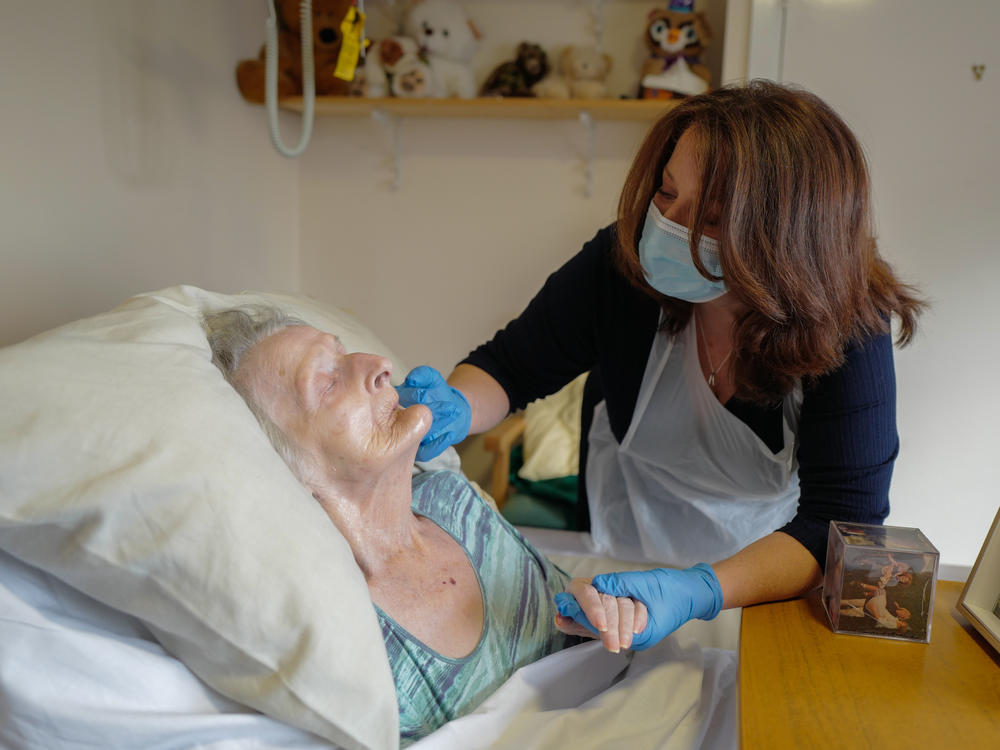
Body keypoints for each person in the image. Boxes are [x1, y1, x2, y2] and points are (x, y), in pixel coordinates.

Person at [396, 80, 925, 648]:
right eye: (667, 193)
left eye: (713, 220)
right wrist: (458, 405)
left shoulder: (849, 320)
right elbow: (509, 368)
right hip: (626, 514)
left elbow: (842, 523)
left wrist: (701, 589)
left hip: (765, 555)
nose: (670, 228)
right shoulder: (620, 264)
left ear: (785, 244)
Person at [202, 306, 647, 744]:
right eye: (329, 382)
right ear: (287, 469)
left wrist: (604, 614)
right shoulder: (334, 624)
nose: (380, 366)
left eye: (345, 353)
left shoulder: (454, 500)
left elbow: (576, 638)